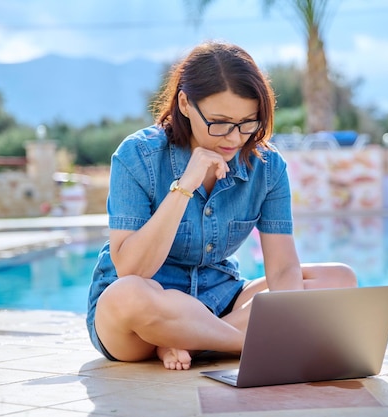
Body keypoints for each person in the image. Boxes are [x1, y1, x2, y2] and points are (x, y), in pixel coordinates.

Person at [86, 41, 358, 371]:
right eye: (220, 122)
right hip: (144, 317)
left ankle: (190, 340)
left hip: (220, 299)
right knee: (126, 295)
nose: (234, 137)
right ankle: (242, 343)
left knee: (339, 280)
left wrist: (290, 315)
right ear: (185, 103)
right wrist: (184, 187)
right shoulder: (137, 156)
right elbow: (132, 270)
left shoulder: (268, 167)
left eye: (247, 123)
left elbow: (284, 269)